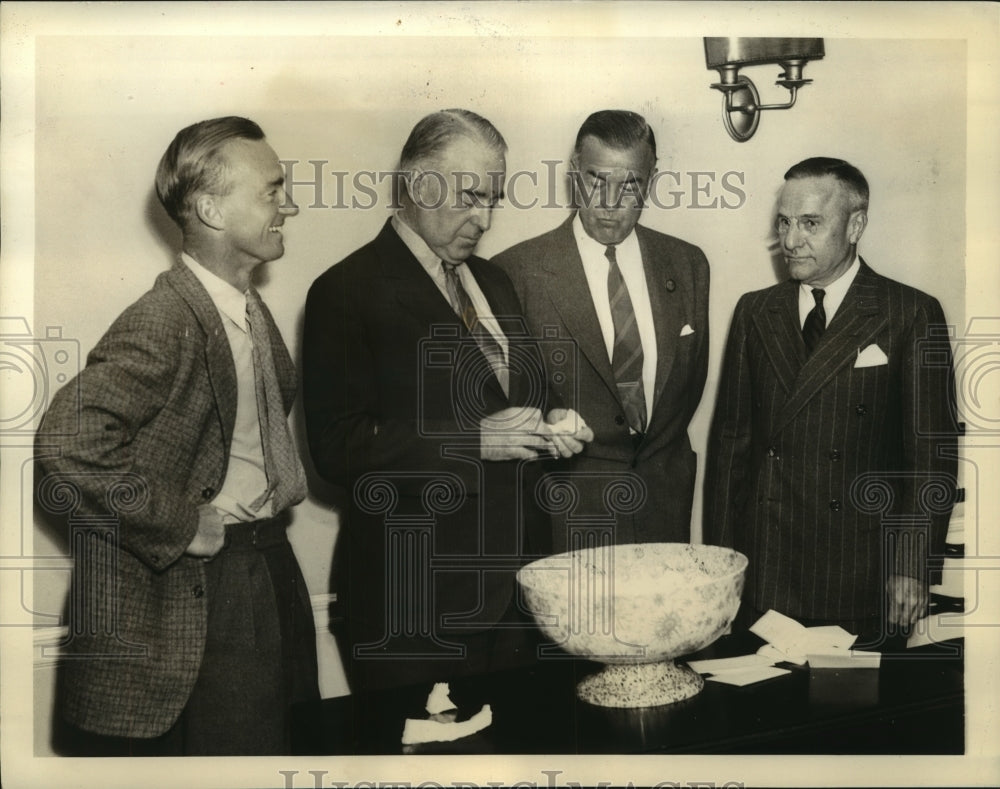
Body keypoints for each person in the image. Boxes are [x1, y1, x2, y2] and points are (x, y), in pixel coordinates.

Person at [36, 116, 319, 755]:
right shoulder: (165, 318)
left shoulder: (248, 310)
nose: (290, 205)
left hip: (268, 567)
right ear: (210, 208)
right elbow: (66, 442)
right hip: (209, 591)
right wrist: (178, 524)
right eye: (271, 191)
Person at [302, 109, 591, 694]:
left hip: (515, 597)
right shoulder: (344, 290)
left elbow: (521, 398)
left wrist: (557, 422)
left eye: (493, 198)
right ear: (415, 183)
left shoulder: (495, 281)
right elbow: (336, 449)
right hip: (412, 606)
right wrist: (472, 441)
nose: (483, 219)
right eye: (468, 196)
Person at [704, 157, 959, 647]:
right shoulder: (756, 311)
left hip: (862, 577)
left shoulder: (908, 312)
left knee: (850, 718)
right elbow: (731, 450)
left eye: (810, 223)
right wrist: (721, 566)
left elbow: (931, 461)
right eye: (784, 221)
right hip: (765, 572)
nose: (791, 240)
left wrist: (911, 566)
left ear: (856, 224)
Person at [493, 110, 710, 552]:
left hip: (663, 509)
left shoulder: (688, 265)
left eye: (629, 184)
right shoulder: (516, 272)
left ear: (651, 180)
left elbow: (685, 394)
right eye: (596, 180)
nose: (610, 202)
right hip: (566, 512)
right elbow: (510, 410)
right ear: (574, 174)